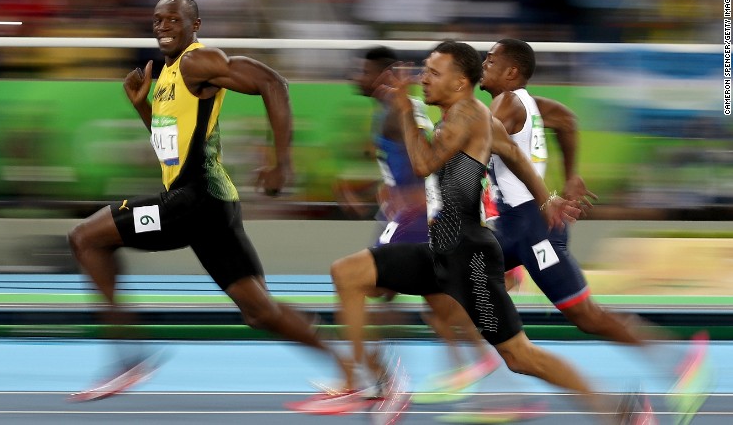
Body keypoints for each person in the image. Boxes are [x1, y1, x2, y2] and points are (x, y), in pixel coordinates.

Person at [291, 40, 652, 423]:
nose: (423, 79)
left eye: (433, 72)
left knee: (520, 357)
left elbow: (423, 163)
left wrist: (405, 112)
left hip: (469, 258)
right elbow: (515, 156)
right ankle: (367, 383)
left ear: (461, 82)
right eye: (425, 71)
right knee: (348, 273)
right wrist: (548, 201)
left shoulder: (466, 115)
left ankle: (620, 411)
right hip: (441, 249)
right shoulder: (473, 117)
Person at [66, 0, 355, 401]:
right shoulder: (166, 75)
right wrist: (142, 108)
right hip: (208, 207)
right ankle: (353, 373)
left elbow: (273, 82)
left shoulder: (196, 62)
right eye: (157, 20)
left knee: (85, 238)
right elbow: (172, 149)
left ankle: (128, 357)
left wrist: (281, 162)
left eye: (173, 20)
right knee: (259, 312)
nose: (163, 26)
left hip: (193, 201)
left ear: (195, 25)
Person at [481, 37, 709, 415]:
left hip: (530, 229)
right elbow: (568, 120)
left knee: (587, 316)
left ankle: (682, 364)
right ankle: (504, 387)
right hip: (519, 226)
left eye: (490, 61)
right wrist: (572, 176)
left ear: (512, 72)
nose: (483, 65)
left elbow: (478, 145)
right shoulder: (531, 105)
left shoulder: (505, 103)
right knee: (460, 285)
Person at [344, 46, 500, 394]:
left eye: (364, 71)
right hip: (405, 213)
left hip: (413, 216)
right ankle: (471, 360)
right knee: (430, 299)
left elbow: (428, 163)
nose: (357, 76)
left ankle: (377, 375)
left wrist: (413, 198)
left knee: (370, 285)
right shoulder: (391, 111)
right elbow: (403, 165)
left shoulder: (398, 113)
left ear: (383, 76)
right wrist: (377, 188)